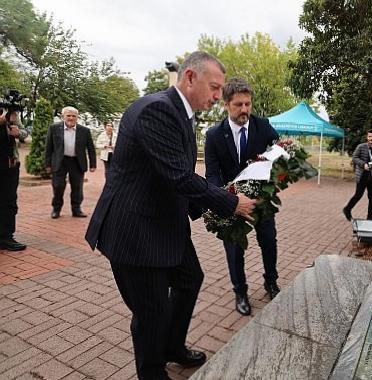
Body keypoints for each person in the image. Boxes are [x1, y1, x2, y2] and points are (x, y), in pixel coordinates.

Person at [85, 51, 256, 380]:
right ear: (190, 77)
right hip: (136, 231)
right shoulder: (159, 110)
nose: (219, 96)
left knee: (190, 278)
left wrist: (208, 211)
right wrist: (230, 203)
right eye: (215, 87)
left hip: (163, 222)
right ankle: (153, 372)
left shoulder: (182, 113)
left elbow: (173, 176)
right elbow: (179, 176)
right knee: (151, 313)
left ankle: (172, 347)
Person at [204, 77, 280, 316]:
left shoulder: (263, 126)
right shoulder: (214, 135)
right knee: (234, 249)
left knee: (268, 241)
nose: (245, 109)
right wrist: (228, 201)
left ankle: (271, 282)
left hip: (261, 202)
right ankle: (240, 291)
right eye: (238, 104)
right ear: (226, 104)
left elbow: (278, 154)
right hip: (232, 204)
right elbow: (212, 175)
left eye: (248, 104)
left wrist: (273, 180)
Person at [45, 106, 97, 218]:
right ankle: (56, 209)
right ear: (63, 116)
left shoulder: (85, 131)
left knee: (77, 187)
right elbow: (49, 147)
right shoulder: (54, 128)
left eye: (74, 116)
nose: (71, 118)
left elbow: (91, 148)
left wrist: (93, 164)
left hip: (76, 162)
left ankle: (76, 209)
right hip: (60, 161)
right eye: (68, 115)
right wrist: (48, 164)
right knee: (58, 186)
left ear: (77, 117)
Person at [343, 129, 372, 221]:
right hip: (362, 175)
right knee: (358, 195)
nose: (371, 138)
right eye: (369, 136)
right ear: (367, 137)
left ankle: (369, 217)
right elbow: (354, 158)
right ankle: (347, 209)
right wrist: (363, 165)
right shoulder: (361, 147)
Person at [0, 108, 27, 251]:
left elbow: (24, 132)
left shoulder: (8, 111)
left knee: (9, 201)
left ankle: (6, 237)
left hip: (10, 164)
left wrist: (19, 133)